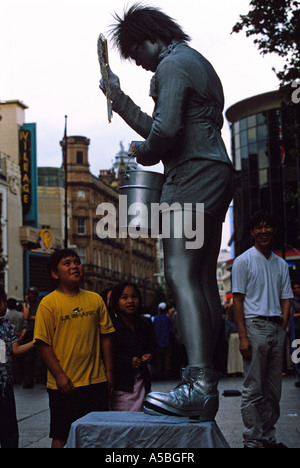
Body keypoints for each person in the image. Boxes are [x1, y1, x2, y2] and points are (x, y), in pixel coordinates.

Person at [100, 3, 234, 420]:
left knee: (178, 273)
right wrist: (118, 99)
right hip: (214, 170)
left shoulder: (172, 65)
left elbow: (164, 134)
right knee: (202, 279)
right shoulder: (195, 63)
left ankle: (198, 383)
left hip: (191, 175)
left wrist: (144, 152)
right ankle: (204, 381)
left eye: (138, 55)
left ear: (150, 37)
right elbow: (166, 127)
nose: (140, 65)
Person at [33, 249, 115, 448]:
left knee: (98, 434)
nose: (74, 266)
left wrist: (110, 373)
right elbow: (44, 343)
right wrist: (59, 375)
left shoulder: (95, 299)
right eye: (67, 263)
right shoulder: (48, 303)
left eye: (77, 262)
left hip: (96, 381)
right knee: (61, 434)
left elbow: (106, 338)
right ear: (55, 273)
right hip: (64, 385)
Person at [232, 211, 293, 448]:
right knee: (253, 389)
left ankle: (268, 438)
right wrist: (243, 337)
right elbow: (238, 300)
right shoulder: (243, 261)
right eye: (258, 227)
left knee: (273, 392)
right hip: (254, 326)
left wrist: (283, 330)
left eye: (268, 226)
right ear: (251, 232)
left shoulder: (280, 264)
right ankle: (252, 439)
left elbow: (286, 299)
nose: (264, 230)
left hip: (276, 327)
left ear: (274, 230)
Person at [109, 282, 156, 411]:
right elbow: (107, 354)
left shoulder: (144, 323)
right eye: (124, 297)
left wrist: (149, 354)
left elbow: (152, 345)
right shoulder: (111, 326)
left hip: (142, 383)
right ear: (116, 301)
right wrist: (128, 361)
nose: (130, 301)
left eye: (134, 297)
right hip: (122, 385)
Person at [0, 286, 34, 448]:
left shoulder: (7, 326)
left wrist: (36, 342)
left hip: (5, 386)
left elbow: (16, 350)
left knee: (9, 428)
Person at [22, 287, 40, 388]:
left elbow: (40, 317)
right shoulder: (26, 305)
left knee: (39, 357)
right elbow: (25, 316)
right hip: (29, 332)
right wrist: (27, 304)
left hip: (38, 331)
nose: (31, 297)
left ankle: (39, 378)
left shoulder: (40, 304)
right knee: (28, 358)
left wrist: (32, 317)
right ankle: (28, 380)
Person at [5, 298, 26, 383]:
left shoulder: (6, 316)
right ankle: (20, 378)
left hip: (8, 340)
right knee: (20, 360)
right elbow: (25, 327)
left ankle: (13, 377)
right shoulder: (20, 315)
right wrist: (20, 336)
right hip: (19, 339)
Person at [153, 302, 173, 380]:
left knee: (159, 360)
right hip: (167, 341)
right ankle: (167, 374)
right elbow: (171, 330)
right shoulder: (168, 318)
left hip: (158, 342)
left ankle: (160, 375)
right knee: (167, 359)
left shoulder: (156, 318)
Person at [290, 281, 300, 387]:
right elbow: (291, 314)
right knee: (297, 354)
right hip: (296, 330)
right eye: (295, 288)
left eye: (298, 287)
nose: (296, 289)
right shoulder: (293, 301)